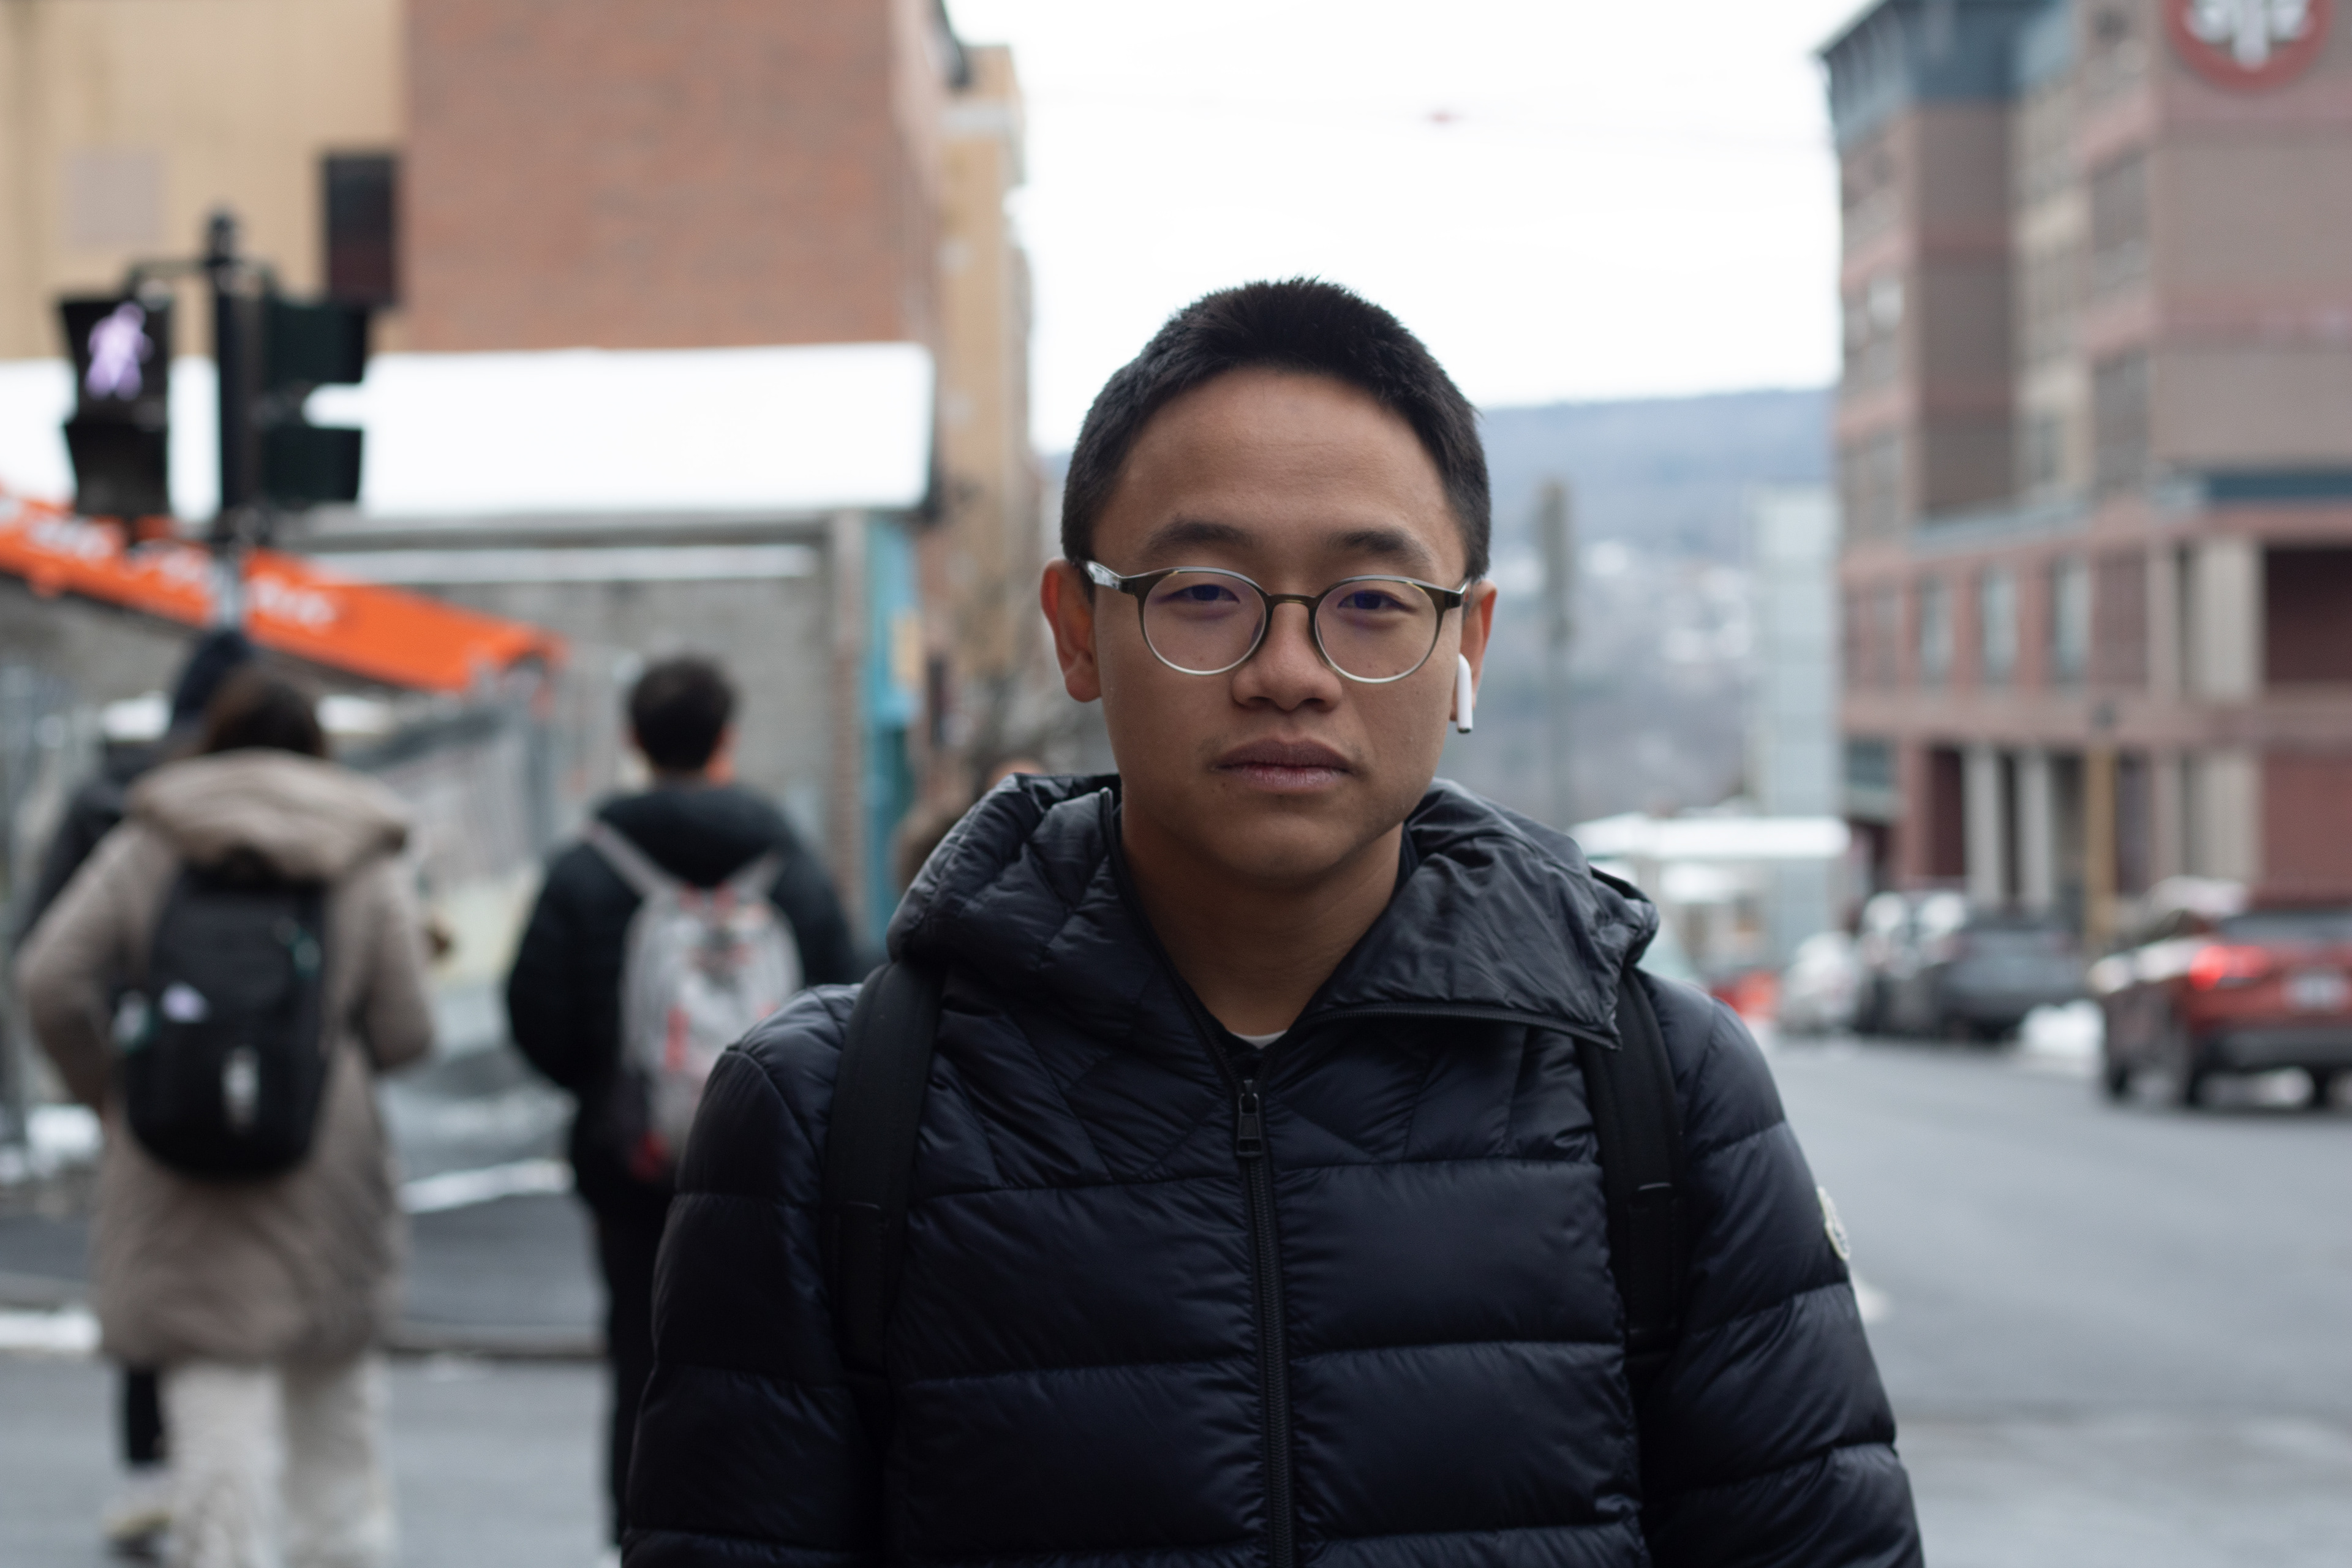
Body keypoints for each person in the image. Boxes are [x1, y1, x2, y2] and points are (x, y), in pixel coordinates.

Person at [624, 281, 1922, 1567]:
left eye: (1372, 601)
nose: (1289, 672)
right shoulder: (829, 1116)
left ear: (1466, 641)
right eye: (1203, 592)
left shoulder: (1660, 1093)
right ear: (1078, 629)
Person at [17, 666, 434, 1568]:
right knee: (335, 1412)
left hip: (174, 1145)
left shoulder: (152, 837)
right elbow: (407, 1028)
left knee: (214, 1403)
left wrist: (111, 1089)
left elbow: (50, 978)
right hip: (327, 1151)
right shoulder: (363, 845)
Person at [504, 655, 859, 1548]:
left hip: (633, 1167)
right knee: (773, 1359)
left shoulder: (588, 868)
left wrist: (608, 1092)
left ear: (634, 740)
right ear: (726, 740)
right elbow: (848, 997)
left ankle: (639, 1537)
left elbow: (534, 1011)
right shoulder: (788, 863)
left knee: (643, 1355)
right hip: (771, 1164)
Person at [10, 627, 257, 1556]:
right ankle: (245, 1490)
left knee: (159, 1269)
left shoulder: (117, 801)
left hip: (148, 1069)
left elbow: (47, 960)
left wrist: (104, 1078)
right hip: (278, 1081)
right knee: (267, 1275)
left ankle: (152, 1470)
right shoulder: (302, 807)